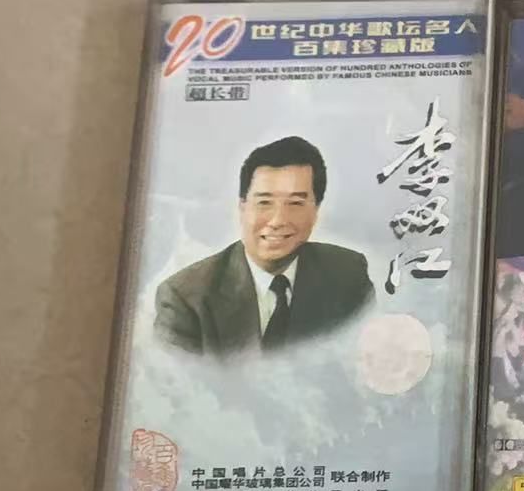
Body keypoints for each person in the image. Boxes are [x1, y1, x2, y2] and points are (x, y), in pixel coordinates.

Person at [154, 136, 375, 357]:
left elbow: (366, 362)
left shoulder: (348, 274)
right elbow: (178, 377)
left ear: (316, 211)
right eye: (264, 203)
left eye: (295, 203)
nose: (278, 220)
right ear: (242, 208)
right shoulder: (185, 299)